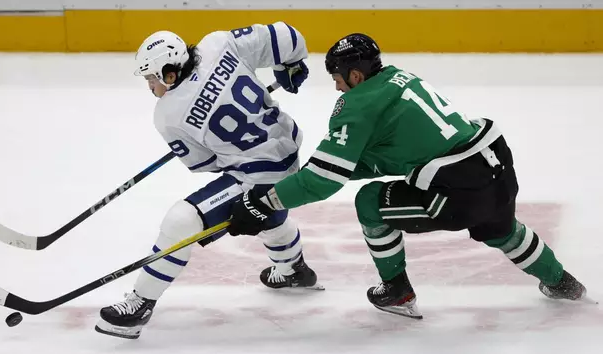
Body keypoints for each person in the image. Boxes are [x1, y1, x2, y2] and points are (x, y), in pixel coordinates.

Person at [227, 33, 587, 319]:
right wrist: (320, 169)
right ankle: (564, 283)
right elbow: (385, 157)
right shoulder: (401, 79)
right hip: (496, 168)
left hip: (458, 191)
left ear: (355, 75)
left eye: (337, 78)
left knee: (370, 202)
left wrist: (265, 202)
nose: (336, 87)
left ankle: (397, 291)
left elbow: (324, 181)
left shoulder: (357, 104)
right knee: (502, 229)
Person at [95, 23, 323, 340]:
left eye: (151, 78)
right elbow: (287, 36)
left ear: (169, 73)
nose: (150, 85)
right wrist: (291, 64)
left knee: (181, 221)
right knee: (263, 205)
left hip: (259, 173)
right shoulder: (218, 43)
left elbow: (206, 163)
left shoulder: (167, 114)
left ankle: (140, 305)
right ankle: (293, 268)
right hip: (291, 153)